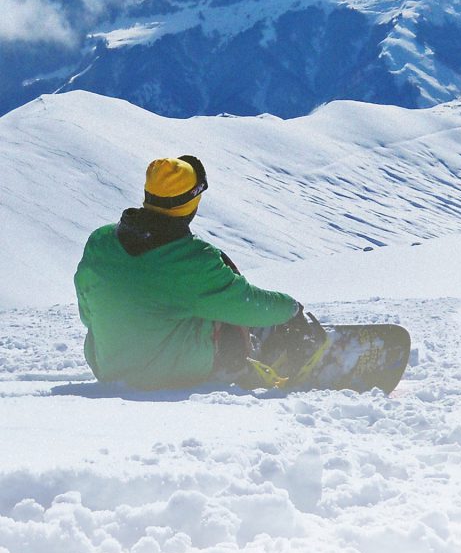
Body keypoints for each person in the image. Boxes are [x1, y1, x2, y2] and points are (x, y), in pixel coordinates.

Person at [74, 155, 310, 390]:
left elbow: (88, 314)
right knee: (225, 309)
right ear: (191, 202)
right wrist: (291, 309)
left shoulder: (100, 242)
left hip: (107, 367)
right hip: (172, 374)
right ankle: (241, 362)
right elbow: (245, 303)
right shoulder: (194, 259)